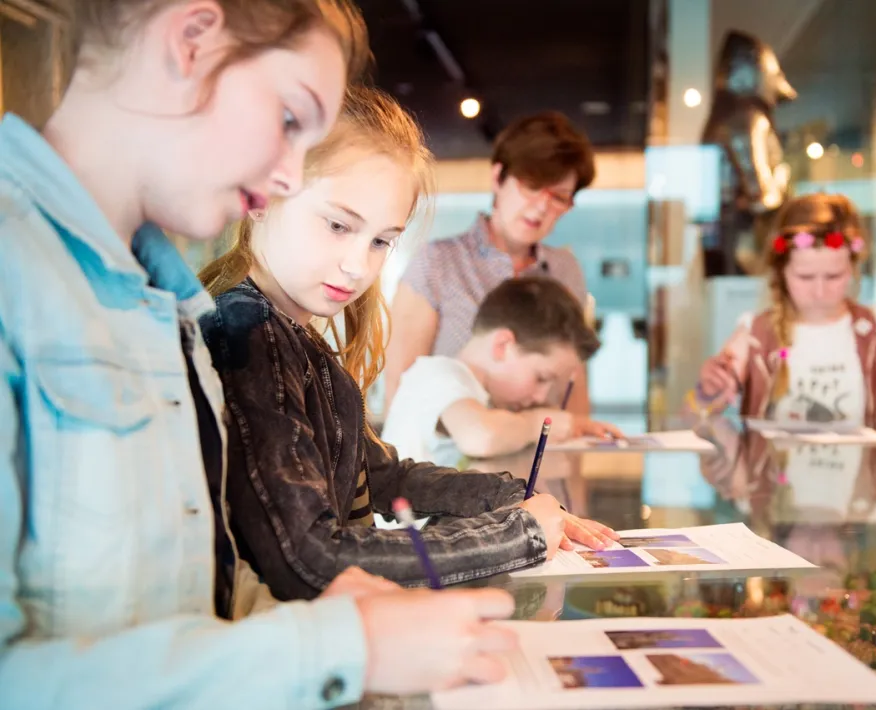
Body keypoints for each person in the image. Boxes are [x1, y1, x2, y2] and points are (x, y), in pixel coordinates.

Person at [0, 2, 519, 707]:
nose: (285, 177)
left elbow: (197, 599)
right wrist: (340, 646)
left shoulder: (168, 309)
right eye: (288, 119)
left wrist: (335, 625)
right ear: (191, 40)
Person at [199, 87, 619, 601]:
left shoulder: (296, 335)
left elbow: (380, 473)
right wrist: (517, 532)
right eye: (338, 226)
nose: (359, 265)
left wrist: (514, 498)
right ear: (263, 198)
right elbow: (311, 561)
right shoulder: (252, 335)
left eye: (380, 241)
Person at [385, 111, 597, 416]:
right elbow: (400, 388)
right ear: (498, 177)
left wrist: (576, 450)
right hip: (451, 457)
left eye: (559, 197)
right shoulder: (438, 262)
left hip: (535, 456)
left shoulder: (565, 270)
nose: (541, 207)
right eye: (532, 186)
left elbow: (573, 382)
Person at [694, 193, 876, 424]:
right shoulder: (756, 334)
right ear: (781, 272)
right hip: (778, 475)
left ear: (853, 270)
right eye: (805, 277)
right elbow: (692, 416)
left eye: (834, 276)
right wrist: (706, 392)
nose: (819, 291)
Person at [383, 277, 624, 467]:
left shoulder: (478, 396)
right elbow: (480, 437)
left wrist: (573, 424)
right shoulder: (436, 375)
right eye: (541, 378)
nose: (541, 397)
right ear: (502, 346)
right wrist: (538, 423)